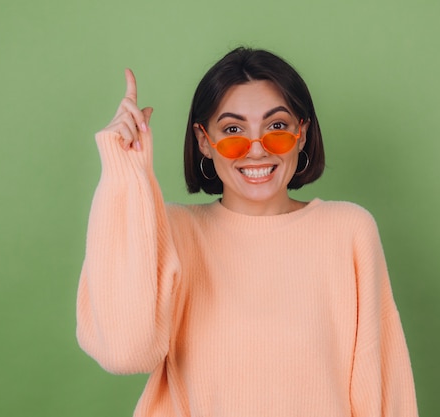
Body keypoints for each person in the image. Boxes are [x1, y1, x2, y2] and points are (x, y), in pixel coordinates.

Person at [76, 47, 418, 416]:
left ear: (301, 134)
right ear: (204, 141)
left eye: (277, 127)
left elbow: (385, 394)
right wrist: (124, 174)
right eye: (233, 130)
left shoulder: (349, 232)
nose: (256, 150)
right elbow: (126, 352)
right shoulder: (173, 231)